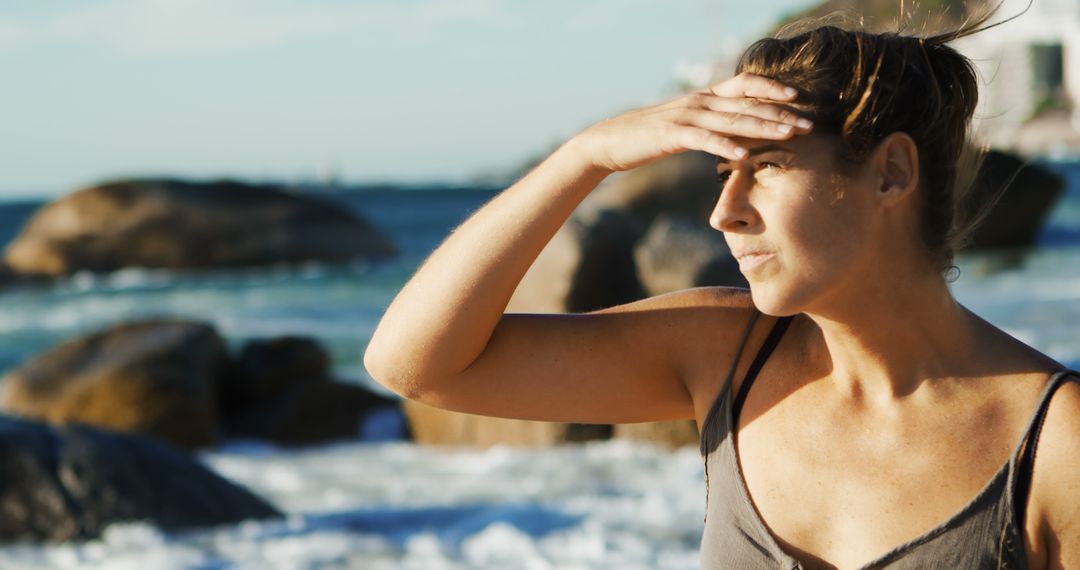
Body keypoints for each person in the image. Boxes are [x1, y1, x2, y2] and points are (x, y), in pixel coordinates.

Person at [364, 6, 1080, 568]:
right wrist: (585, 158)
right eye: (719, 172)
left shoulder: (1054, 441)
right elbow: (412, 365)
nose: (723, 211)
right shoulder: (725, 357)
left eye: (765, 165)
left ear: (890, 172)